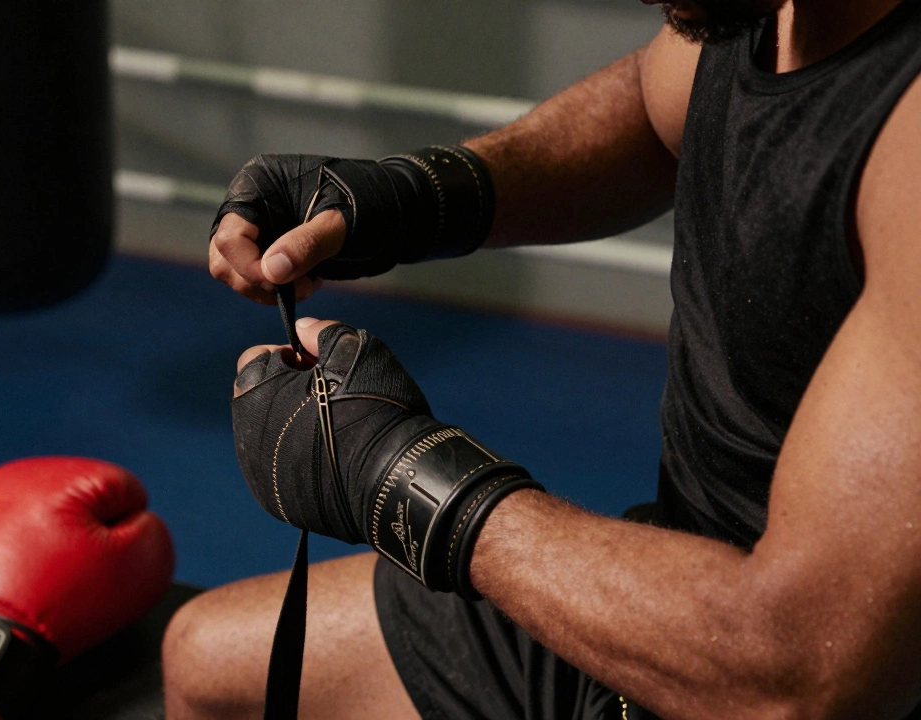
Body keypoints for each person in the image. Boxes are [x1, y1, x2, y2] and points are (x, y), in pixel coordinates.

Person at [164, 0, 921, 717]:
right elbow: (652, 104)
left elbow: (797, 673)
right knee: (211, 667)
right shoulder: (771, 12)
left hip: (735, 657)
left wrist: (403, 478)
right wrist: (415, 196)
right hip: (663, 602)